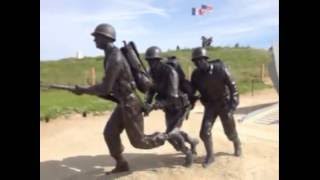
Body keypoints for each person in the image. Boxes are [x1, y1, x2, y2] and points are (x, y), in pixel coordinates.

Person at [72, 24, 168, 174]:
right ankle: (121, 164)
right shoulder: (110, 55)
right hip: (123, 102)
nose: (94, 40)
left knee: (139, 142)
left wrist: (83, 90)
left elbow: (105, 88)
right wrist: (85, 90)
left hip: (130, 103)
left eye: (96, 37)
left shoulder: (115, 58)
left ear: (106, 38)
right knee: (110, 133)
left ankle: (170, 135)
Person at [144, 46, 199, 167]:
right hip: (168, 108)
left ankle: (188, 152)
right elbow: (151, 89)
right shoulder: (152, 72)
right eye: (148, 60)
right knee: (173, 132)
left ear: (159, 60)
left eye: (153, 60)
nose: (150, 63)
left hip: (179, 106)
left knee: (171, 134)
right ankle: (192, 141)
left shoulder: (170, 72)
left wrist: (154, 106)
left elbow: (172, 97)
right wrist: (147, 103)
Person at [190, 47, 242, 168]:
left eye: (199, 60)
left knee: (229, 132)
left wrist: (232, 106)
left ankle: (237, 142)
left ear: (205, 59)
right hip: (210, 105)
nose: (197, 63)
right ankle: (210, 156)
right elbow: (192, 91)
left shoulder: (221, 68)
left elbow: (233, 88)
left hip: (224, 104)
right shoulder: (196, 74)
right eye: (195, 61)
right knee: (204, 133)